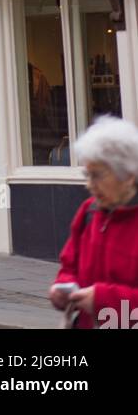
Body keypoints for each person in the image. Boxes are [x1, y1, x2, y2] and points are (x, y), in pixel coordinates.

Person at [50, 115, 138, 329]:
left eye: (97, 175)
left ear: (128, 175)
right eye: (87, 175)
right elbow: (69, 264)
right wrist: (63, 287)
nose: (89, 185)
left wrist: (104, 299)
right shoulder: (89, 212)